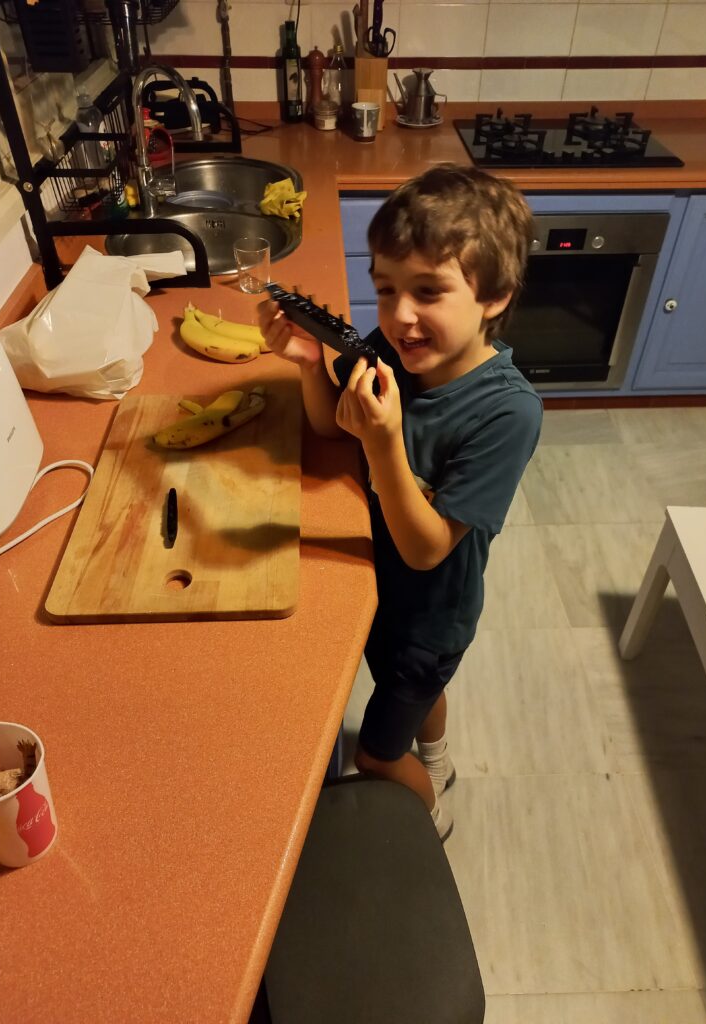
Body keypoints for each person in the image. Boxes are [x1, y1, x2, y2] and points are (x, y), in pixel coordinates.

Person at [258, 163, 542, 841]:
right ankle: (437, 758)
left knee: (377, 755)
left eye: (428, 291)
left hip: (429, 617)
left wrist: (385, 444)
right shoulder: (392, 348)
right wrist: (308, 365)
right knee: (406, 692)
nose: (399, 315)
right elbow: (333, 427)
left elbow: (427, 548)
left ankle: (432, 821)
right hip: (377, 590)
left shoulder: (507, 413)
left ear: (494, 296)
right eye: (386, 289)